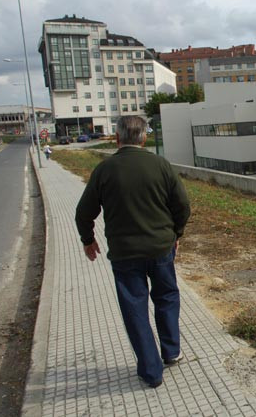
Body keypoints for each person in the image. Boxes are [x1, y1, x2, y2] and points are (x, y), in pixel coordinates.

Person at [75, 116, 191, 388]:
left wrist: (87, 240)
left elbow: (83, 212)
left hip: (125, 255)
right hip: (161, 248)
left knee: (134, 308)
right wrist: (177, 234)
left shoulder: (104, 170)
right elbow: (182, 205)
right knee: (166, 296)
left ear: (117, 139)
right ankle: (172, 351)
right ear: (143, 139)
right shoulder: (160, 165)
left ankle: (151, 372)